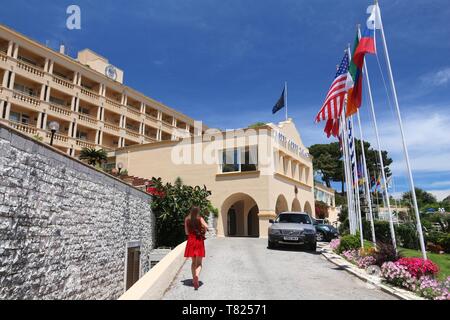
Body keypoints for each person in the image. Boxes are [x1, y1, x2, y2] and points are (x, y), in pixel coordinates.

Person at [184, 206, 208, 290]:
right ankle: (197, 276)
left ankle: (194, 278)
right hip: (198, 241)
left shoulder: (187, 219)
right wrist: (203, 230)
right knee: (199, 263)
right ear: (198, 211)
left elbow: (186, 232)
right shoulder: (200, 218)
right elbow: (206, 226)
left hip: (191, 241)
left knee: (193, 262)